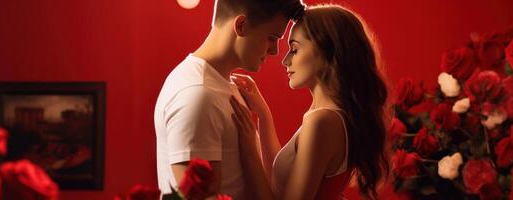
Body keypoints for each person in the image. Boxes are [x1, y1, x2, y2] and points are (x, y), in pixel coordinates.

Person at [230, 4, 390, 200]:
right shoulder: (332, 117)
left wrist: (248, 151)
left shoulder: (322, 121)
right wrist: (263, 115)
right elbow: (278, 184)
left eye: (294, 49)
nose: (285, 60)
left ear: (328, 51)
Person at [154, 0, 305, 199]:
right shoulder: (199, 95)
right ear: (240, 26)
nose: (275, 51)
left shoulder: (222, 86)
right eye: (272, 37)